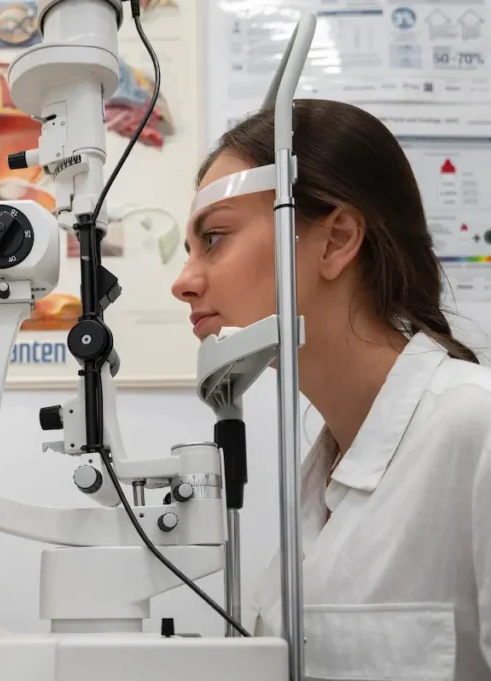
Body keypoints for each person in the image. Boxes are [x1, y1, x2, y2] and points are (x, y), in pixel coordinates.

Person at [172, 98, 491, 679]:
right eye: (189, 251)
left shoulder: (477, 429)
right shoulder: (319, 474)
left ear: (336, 239)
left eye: (214, 238)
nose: (184, 282)